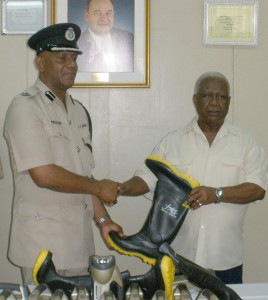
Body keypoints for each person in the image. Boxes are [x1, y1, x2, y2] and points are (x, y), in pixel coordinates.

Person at [116, 72, 268, 284]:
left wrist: (216, 194)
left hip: (226, 259)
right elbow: (146, 178)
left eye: (222, 97)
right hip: (178, 256)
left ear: (229, 102)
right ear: (196, 100)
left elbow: (257, 188)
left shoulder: (245, 143)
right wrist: (120, 188)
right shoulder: (173, 141)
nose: (215, 103)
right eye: (207, 96)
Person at [4, 23, 122, 284]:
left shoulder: (77, 110)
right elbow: (44, 175)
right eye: (61, 57)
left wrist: (103, 220)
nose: (71, 64)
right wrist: (99, 187)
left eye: (74, 57)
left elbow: (82, 176)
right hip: (43, 248)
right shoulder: (25, 107)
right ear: (40, 63)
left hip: (78, 245)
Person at [77, 0, 134, 73]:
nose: (104, 18)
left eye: (108, 13)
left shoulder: (129, 39)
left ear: (113, 14)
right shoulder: (75, 46)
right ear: (86, 16)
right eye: (97, 13)